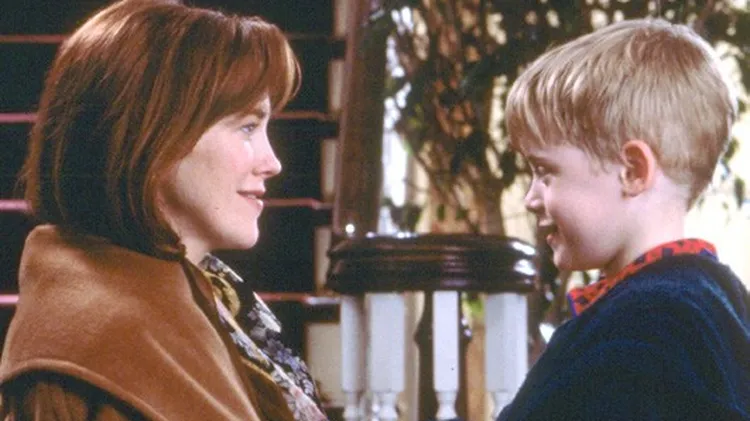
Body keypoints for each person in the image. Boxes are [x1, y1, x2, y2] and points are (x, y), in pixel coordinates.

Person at [0, 1, 329, 420]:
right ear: (155, 137)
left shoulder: (207, 294)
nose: (273, 162)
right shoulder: (96, 342)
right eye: (247, 127)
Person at [498, 18, 750, 420]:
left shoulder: (642, 326)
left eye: (545, 173)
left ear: (633, 170)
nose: (531, 199)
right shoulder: (719, 297)